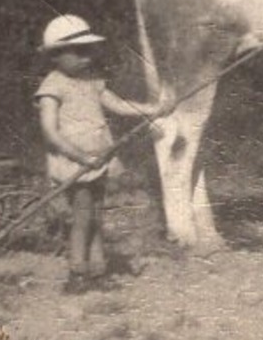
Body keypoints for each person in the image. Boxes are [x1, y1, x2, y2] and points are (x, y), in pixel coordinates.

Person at [35, 15, 171, 293]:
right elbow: (50, 132)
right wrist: (80, 157)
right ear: (55, 56)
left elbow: (117, 105)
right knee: (83, 216)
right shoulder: (52, 86)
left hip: (99, 158)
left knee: (96, 215)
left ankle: (97, 272)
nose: (86, 58)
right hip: (75, 162)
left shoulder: (93, 81)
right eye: (78, 52)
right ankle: (77, 273)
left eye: (89, 51)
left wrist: (150, 109)